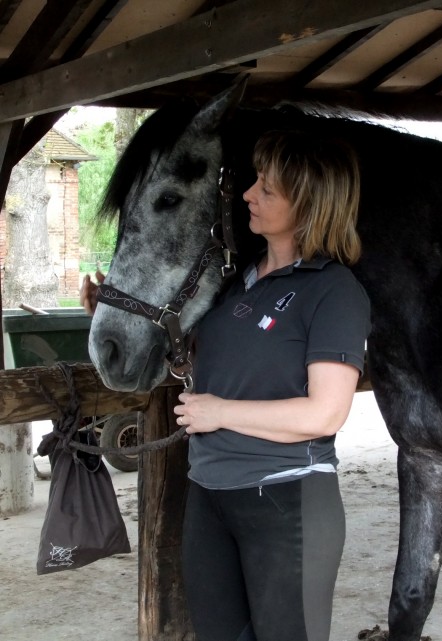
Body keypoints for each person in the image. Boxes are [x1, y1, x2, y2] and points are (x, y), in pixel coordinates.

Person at [84, 129, 371, 641]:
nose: (247, 195)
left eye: (268, 188)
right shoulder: (241, 281)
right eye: (256, 180)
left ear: (309, 203)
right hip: (211, 494)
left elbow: (324, 414)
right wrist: (125, 319)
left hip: (287, 502)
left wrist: (220, 413)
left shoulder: (334, 291)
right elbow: (207, 359)